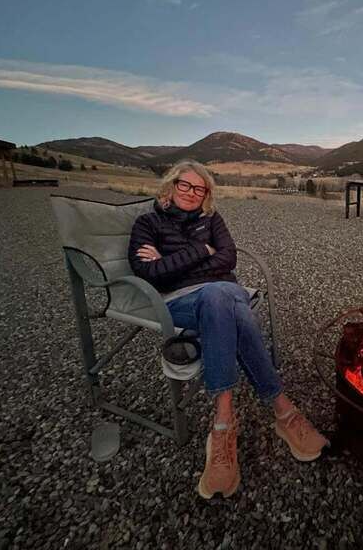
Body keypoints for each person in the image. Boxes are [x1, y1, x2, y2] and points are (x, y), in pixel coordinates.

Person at [128, 159, 327, 499]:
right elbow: (149, 274)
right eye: (185, 185)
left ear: (206, 193)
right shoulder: (147, 223)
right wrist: (201, 251)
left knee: (220, 297)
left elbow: (229, 257)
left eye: (200, 188)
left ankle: (223, 425)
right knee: (227, 304)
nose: (192, 193)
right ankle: (283, 412)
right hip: (180, 301)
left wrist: (172, 263)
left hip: (223, 292)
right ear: (171, 185)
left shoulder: (212, 219)